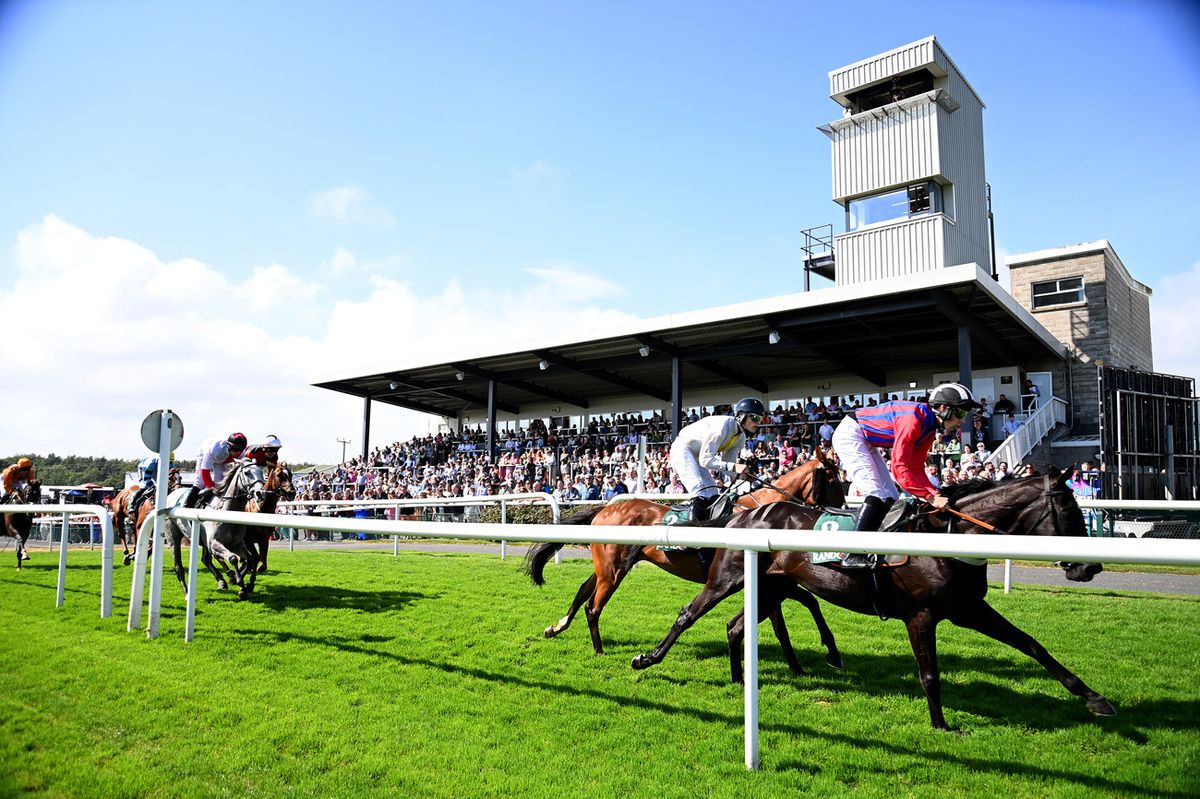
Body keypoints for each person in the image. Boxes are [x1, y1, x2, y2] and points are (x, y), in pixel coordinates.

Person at [831, 382, 979, 568]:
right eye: (961, 413)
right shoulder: (913, 420)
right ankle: (850, 554)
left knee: (891, 498)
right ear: (943, 409)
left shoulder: (929, 428)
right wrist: (930, 497)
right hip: (851, 434)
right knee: (876, 494)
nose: (962, 421)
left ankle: (872, 546)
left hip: (867, 439)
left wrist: (935, 492)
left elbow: (916, 467)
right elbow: (899, 468)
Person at [667, 397, 763, 521]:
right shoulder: (722, 427)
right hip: (683, 449)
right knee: (699, 490)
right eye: (754, 418)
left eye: (760, 419)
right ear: (741, 416)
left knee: (713, 493)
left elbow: (727, 467)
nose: (758, 422)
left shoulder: (740, 438)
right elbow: (706, 461)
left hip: (697, 455)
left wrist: (744, 476)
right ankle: (690, 531)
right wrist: (735, 467)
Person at [184, 432, 248, 508]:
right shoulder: (215, 449)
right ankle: (187, 505)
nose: (238, 453)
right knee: (200, 481)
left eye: (240, 450)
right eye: (236, 449)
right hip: (204, 452)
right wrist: (212, 487)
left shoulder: (241, 453)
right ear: (229, 446)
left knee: (221, 482)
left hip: (222, 459)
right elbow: (205, 471)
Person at [129, 451, 176, 516]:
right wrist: (151, 484)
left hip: (156, 469)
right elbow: (147, 475)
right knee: (145, 486)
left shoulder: (172, 464)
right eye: (167, 461)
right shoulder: (153, 463)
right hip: (145, 468)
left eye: (170, 462)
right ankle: (133, 504)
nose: (168, 463)